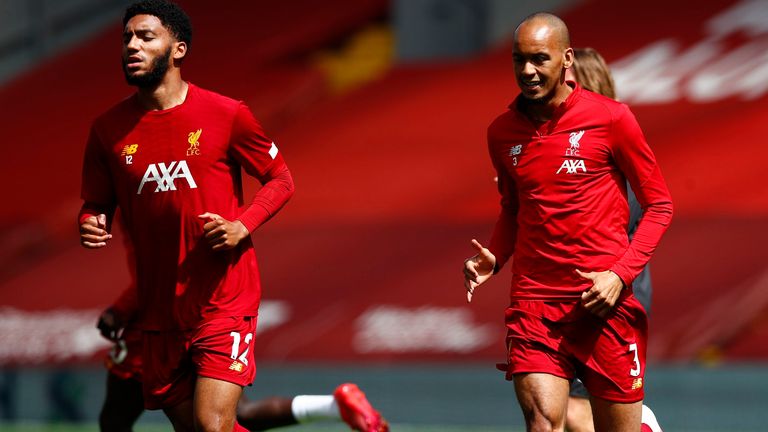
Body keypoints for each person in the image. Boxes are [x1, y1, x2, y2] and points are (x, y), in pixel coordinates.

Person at [78, 1, 296, 430]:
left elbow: (281, 179)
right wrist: (90, 221)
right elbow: (95, 204)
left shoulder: (226, 114)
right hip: (158, 313)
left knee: (210, 424)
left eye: (145, 37)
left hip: (223, 299)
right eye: (127, 38)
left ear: (177, 49)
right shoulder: (108, 130)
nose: (131, 47)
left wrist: (242, 225)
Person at [463, 12, 673, 432]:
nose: (527, 70)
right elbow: (513, 207)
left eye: (539, 59)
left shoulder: (612, 119)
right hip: (534, 303)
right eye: (519, 59)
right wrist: (496, 257)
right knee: (542, 421)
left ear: (567, 58)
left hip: (603, 304)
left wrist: (619, 274)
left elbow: (660, 205)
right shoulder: (501, 133)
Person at [96, 286, 388, 432]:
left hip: (157, 324)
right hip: (208, 312)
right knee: (231, 416)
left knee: (114, 422)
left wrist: (121, 308)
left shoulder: (153, 186)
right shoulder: (203, 192)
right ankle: (335, 406)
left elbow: (157, 268)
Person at [563, 47, 662, 432]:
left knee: (579, 410)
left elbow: (643, 210)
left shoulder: (612, 140)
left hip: (615, 290)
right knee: (561, 407)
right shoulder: (559, 144)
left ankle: (643, 427)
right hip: (572, 292)